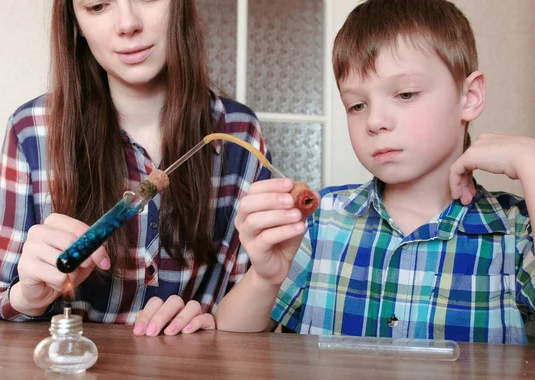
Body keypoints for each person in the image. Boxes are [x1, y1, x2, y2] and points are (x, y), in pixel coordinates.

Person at [215, 0, 535, 344]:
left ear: (469, 96)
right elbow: (230, 343)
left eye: (406, 93)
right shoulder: (321, 221)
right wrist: (265, 279)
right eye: (357, 105)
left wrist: (530, 164)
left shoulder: (516, 230)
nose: (375, 121)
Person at [0, 0, 270, 337]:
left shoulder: (239, 134)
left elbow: (261, 301)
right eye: (98, 5)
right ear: (76, 23)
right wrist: (27, 298)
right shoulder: (32, 130)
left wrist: (213, 326)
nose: (127, 24)